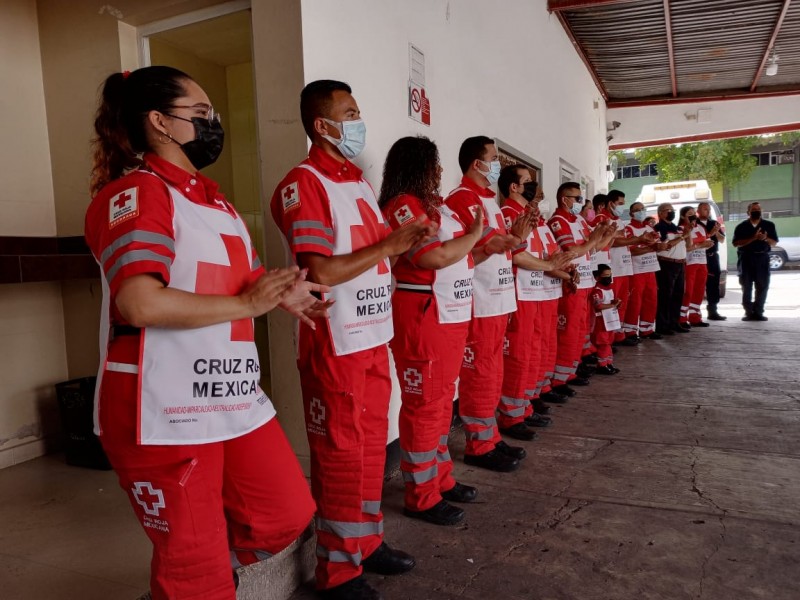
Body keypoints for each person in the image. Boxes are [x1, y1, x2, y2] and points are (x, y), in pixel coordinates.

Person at [85, 66, 320, 600]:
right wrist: (246, 302)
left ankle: (201, 563)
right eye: (201, 113)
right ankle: (195, 573)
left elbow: (249, 278)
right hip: (162, 406)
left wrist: (285, 292)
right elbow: (139, 302)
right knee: (193, 563)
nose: (214, 123)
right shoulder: (138, 195)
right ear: (159, 123)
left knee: (283, 512)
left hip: (228, 394)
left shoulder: (217, 204)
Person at [271, 80, 429, 599]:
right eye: (351, 112)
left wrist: (404, 244)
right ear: (323, 125)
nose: (359, 121)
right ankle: (337, 570)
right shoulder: (304, 183)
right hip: (334, 340)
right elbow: (320, 268)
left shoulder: (358, 183)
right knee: (339, 452)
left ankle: (366, 543)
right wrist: (393, 241)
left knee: (366, 449)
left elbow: (381, 255)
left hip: (373, 334)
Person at [378, 136, 482, 527]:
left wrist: (481, 242)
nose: (440, 172)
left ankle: (440, 478)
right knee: (424, 404)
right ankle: (421, 495)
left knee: (441, 401)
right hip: (422, 313)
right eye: (433, 165)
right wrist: (472, 237)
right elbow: (429, 257)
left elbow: (460, 254)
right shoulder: (402, 205)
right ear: (416, 166)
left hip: (447, 313)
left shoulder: (432, 207)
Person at [445, 136, 531, 472]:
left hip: (499, 299)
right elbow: (475, 248)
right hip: (479, 301)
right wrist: (507, 241)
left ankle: (490, 435)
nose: (497, 164)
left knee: (494, 371)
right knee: (479, 372)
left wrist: (516, 238)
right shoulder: (461, 198)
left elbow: (503, 245)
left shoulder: (488, 200)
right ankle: (478, 444)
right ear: (476, 163)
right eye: (494, 158)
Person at [497, 165, 572, 440]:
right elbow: (516, 255)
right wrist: (552, 265)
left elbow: (550, 253)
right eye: (527, 181)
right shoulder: (508, 214)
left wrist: (564, 270)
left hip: (541, 291)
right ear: (513, 187)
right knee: (519, 353)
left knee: (536, 350)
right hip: (522, 292)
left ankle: (526, 404)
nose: (534, 186)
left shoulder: (533, 216)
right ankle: (511, 414)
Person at [547, 183, 613, 396]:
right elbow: (572, 251)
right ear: (564, 199)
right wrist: (592, 240)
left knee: (580, 332)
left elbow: (593, 247)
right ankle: (559, 378)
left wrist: (606, 234)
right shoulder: (558, 221)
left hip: (586, 283)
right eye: (576, 199)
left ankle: (571, 371)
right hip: (571, 285)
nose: (579, 203)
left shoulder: (579, 221)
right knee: (568, 332)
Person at [600, 190, 637, 346]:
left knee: (622, 303)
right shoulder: (603, 219)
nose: (622, 207)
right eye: (620, 204)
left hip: (625, 268)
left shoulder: (619, 220)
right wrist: (637, 239)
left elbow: (625, 239)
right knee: (611, 303)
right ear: (611, 203)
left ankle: (618, 333)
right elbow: (612, 242)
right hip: (613, 268)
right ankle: (609, 338)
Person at [733, 202, 778, 321]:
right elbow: (736, 243)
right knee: (746, 286)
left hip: (762, 258)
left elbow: (774, 242)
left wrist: (765, 238)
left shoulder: (769, 225)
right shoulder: (741, 226)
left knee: (762, 286)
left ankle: (758, 312)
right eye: (754, 209)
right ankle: (748, 312)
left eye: (758, 209)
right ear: (748, 212)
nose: (756, 211)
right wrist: (753, 238)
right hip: (746, 258)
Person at [623, 202, 662, 339]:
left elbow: (658, 244)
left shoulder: (649, 228)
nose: (641, 212)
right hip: (637, 270)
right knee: (635, 301)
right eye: (637, 210)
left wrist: (657, 246)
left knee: (651, 299)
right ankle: (630, 331)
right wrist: (651, 247)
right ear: (631, 213)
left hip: (651, 269)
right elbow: (632, 250)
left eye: (642, 209)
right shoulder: (628, 229)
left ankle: (647, 329)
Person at [654, 202, 692, 335]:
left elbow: (688, 244)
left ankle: (674, 322)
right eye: (667, 210)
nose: (671, 212)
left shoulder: (677, 228)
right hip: (666, 264)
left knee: (678, 294)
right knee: (665, 295)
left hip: (680, 263)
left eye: (672, 210)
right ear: (660, 213)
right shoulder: (658, 228)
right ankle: (662, 325)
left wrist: (688, 232)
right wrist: (682, 237)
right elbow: (666, 245)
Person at [679, 206, 713, 327]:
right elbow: (685, 248)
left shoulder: (701, 228)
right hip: (689, 264)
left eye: (694, 213)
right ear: (683, 216)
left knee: (699, 291)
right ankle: (682, 318)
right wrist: (700, 245)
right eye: (689, 214)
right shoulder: (681, 229)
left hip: (702, 262)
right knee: (687, 291)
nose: (693, 216)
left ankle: (695, 317)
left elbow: (707, 242)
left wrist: (708, 244)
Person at [696, 202, 726, 320]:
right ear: (698, 211)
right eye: (704, 209)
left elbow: (722, 240)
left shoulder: (714, 223)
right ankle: (694, 313)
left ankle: (713, 310)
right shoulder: (694, 224)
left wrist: (716, 231)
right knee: (698, 285)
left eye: (708, 209)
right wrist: (710, 233)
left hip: (712, 257)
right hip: (698, 257)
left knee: (713, 284)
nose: (707, 211)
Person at [590, 264, 622, 375]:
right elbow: (598, 306)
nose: (608, 278)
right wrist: (612, 305)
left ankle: (609, 363)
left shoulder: (609, 289)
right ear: (598, 277)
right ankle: (602, 365)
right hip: (600, 322)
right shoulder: (597, 290)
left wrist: (616, 303)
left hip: (610, 321)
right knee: (603, 343)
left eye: (610, 275)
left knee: (609, 343)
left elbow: (611, 302)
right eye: (606, 276)